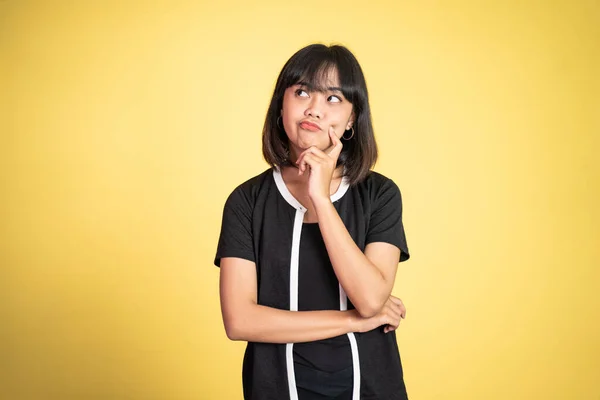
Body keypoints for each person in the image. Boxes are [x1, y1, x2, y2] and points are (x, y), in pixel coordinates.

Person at [214, 43, 411, 400]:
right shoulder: (247, 201)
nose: (314, 109)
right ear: (281, 105)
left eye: (333, 98)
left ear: (352, 119)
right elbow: (240, 321)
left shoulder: (380, 195)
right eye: (302, 92)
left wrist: (320, 198)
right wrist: (355, 322)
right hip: (276, 389)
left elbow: (369, 298)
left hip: (370, 388)